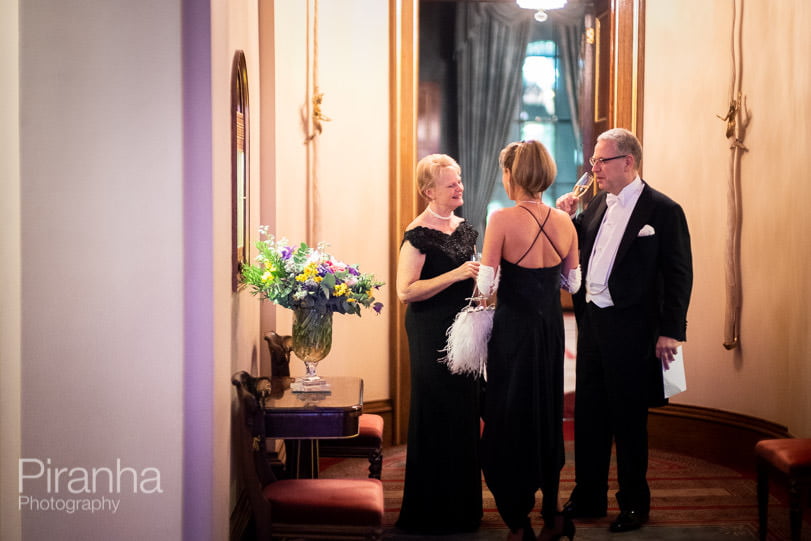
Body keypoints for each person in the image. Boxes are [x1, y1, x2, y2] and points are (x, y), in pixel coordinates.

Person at [556, 128, 693, 533]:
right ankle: (589, 494)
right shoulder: (598, 202)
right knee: (590, 414)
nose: (594, 168)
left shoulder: (663, 211)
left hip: (635, 329)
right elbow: (583, 250)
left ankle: (634, 502)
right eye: (594, 161)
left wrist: (672, 331)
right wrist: (567, 221)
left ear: (627, 162)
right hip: (594, 324)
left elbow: (679, 274)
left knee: (629, 420)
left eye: (602, 161)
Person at [478, 140, 581, 541]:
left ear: (512, 175)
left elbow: (486, 286)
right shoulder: (565, 222)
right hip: (549, 330)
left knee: (508, 414)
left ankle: (518, 519)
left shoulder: (501, 220)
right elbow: (572, 283)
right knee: (546, 409)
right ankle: (553, 511)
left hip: (513, 331)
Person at [395, 153, 483, 534]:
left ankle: (463, 509)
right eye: (451, 183)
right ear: (428, 191)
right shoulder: (417, 234)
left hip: (463, 331)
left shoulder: (465, 227)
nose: (459, 187)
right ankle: (427, 510)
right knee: (435, 412)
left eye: (459, 180)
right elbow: (405, 291)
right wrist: (457, 273)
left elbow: (473, 280)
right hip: (429, 331)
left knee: (464, 413)